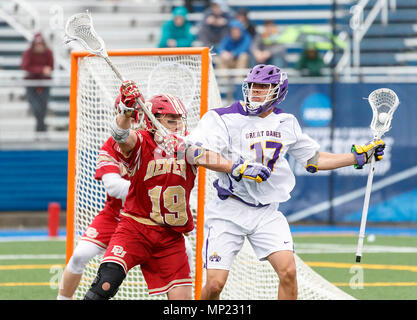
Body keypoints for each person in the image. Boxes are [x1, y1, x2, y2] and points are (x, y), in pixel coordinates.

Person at [186, 64, 386, 300]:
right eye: (253, 86)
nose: (256, 92)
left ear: (278, 91)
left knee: (289, 271)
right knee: (215, 285)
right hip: (228, 210)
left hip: (266, 212)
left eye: (263, 87)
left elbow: (313, 159)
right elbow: (193, 153)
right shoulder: (222, 118)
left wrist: (356, 157)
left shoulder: (286, 122)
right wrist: (236, 167)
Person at [83, 81, 271, 300]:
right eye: (171, 121)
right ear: (153, 121)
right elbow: (121, 136)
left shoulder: (187, 144)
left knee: (182, 302)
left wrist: (235, 167)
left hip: (170, 237)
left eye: (179, 120)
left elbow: (203, 156)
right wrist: (126, 109)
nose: (177, 126)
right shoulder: (142, 140)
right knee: (105, 285)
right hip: (135, 229)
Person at [56, 96, 145, 300]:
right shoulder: (109, 146)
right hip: (115, 217)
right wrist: (147, 190)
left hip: (147, 220)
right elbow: (113, 187)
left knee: (180, 255)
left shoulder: (152, 145)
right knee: (79, 255)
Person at [21, 32, 54, 133]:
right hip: (31, 84)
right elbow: (25, 66)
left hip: (45, 84)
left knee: (43, 108)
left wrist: (44, 71)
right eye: (37, 45)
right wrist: (41, 70)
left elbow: (50, 67)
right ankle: (41, 129)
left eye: (41, 45)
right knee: (36, 108)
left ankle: (40, 131)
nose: (39, 47)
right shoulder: (28, 53)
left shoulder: (48, 52)